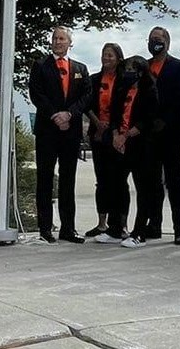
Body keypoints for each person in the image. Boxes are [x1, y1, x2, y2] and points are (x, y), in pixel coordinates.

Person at [29, 25, 91, 243]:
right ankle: (45, 227)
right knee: (44, 179)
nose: (58, 41)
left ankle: (68, 228)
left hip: (70, 132)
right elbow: (36, 94)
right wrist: (55, 115)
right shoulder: (40, 65)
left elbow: (86, 96)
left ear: (69, 43)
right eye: (55, 38)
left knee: (68, 180)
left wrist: (69, 114)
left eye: (62, 38)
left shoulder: (80, 69)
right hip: (48, 130)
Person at [144, 26, 180, 244]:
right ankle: (154, 224)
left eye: (159, 39)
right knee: (152, 182)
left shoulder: (179, 67)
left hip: (171, 132)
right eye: (152, 39)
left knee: (173, 182)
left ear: (167, 42)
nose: (155, 42)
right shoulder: (144, 66)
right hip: (149, 134)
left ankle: (178, 228)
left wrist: (164, 120)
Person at [110, 56, 158, 248]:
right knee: (117, 186)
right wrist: (116, 135)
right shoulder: (122, 89)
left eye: (132, 68)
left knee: (143, 189)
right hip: (120, 144)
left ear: (140, 71)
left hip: (140, 145)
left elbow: (148, 119)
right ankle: (117, 228)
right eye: (126, 68)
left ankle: (139, 232)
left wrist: (126, 136)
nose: (128, 72)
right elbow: (114, 114)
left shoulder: (149, 90)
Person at [85, 43, 125, 238]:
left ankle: (120, 225)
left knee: (119, 181)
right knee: (101, 181)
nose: (106, 58)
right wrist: (96, 122)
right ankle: (101, 223)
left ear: (118, 58)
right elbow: (87, 104)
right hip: (98, 133)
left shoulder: (124, 80)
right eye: (104, 54)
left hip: (117, 134)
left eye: (110, 55)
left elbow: (126, 107)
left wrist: (114, 127)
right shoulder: (93, 80)